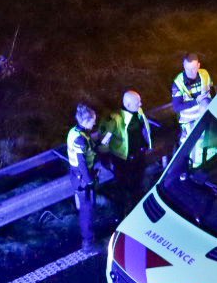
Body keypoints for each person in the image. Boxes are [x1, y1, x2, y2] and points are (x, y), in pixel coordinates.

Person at [101, 89, 154, 219]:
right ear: (128, 105)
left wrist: (147, 145)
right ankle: (121, 215)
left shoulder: (138, 112)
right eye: (138, 103)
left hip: (138, 157)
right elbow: (104, 141)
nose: (141, 104)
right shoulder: (115, 120)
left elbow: (145, 129)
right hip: (122, 161)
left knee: (138, 186)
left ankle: (136, 211)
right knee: (122, 189)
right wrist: (105, 160)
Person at [66, 103, 101, 252]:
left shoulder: (75, 132)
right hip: (82, 178)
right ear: (86, 121)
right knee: (86, 210)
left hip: (78, 176)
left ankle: (89, 238)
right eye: (93, 120)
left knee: (87, 207)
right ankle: (88, 243)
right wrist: (90, 180)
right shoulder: (80, 139)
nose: (95, 122)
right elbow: (81, 163)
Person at [171, 52, 214, 143]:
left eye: (194, 68)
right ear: (183, 66)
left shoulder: (205, 74)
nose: (191, 72)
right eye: (188, 69)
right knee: (193, 143)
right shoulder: (178, 82)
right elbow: (176, 107)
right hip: (190, 120)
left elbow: (211, 90)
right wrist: (196, 102)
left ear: (198, 65)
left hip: (207, 115)